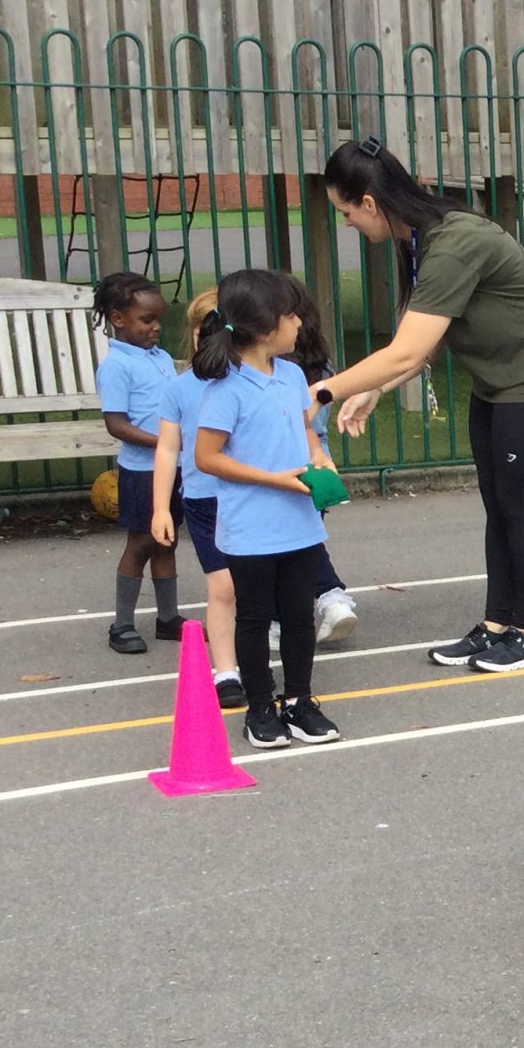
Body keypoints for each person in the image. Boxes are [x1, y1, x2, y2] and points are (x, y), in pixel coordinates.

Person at [310, 138, 524, 673]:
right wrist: (377, 386)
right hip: (499, 381)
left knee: (519, 504)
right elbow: (427, 334)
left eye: (345, 212)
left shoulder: (454, 240)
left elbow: (408, 349)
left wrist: (323, 391)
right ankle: (496, 625)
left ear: (369, 202)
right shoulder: (421, 236)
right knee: (498, 503)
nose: (347, 223)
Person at [192, 270, 343, 750]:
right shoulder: (226, 389)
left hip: (299, 522)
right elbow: (206, 458)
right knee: (255, 619)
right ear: (263, 326)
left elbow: (303, 430)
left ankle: (298, 700)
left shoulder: (293, 375)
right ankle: (260, 707)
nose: (299, 322)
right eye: (290, 315)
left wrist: (317, 457)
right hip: (250, 528)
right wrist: (274, 479)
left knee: (299, 616)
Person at [154, 289, 242, 708]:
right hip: (204, 501)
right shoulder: (179, 389)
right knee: (223, 585)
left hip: (247, 498)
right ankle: (226, 671)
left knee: (254, 586)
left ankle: (253, 659)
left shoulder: (247, 383)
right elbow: (167, 448)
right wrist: (160, 507)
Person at [93, 272, 184, 655]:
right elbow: (116, 424)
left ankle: (168, 618)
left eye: (158, 319)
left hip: (171, 466)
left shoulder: (159, 358)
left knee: (167, 540)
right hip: (142, 471)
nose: (156, 328)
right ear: (118, 319)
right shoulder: (116, 366)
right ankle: (122, 624)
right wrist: (163, 442)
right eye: (146, 320)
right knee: (142, 542)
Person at [276, 274, 360, 647]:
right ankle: (333, 599)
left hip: (285, 461)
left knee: (281, 549)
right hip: (318, 461)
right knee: (306, 540)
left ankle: (288, 615)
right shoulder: (319, 363)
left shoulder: (277, 371)